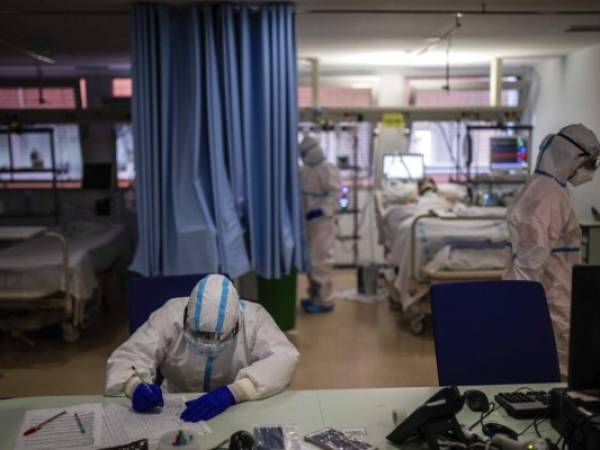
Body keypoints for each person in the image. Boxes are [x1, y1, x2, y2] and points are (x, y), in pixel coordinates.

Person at [105, 274, 300, 422]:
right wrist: (133, 385)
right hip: (174, 405)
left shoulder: (254, 318)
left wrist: (235, 392)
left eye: (217, 337)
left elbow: (284, 358)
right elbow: (129, 355)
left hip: (236, 405)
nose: (208, 344)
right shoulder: (169, 314)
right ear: (187, 315)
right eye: (200, 334)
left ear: (236, 322)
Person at [504, 124, 600, 377]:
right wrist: (518, 311)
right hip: (552, 300)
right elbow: (529, 263)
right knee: (557, 374)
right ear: (573, 157)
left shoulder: (546, 188)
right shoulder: (548, 195)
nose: (591, 170)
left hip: (552, 296)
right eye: (590, 163)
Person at [299, 136, 341, 314]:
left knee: (321, 260)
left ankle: (325, 301)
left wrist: (322, 210)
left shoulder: (327, 168)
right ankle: (314, 296)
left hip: (322, 222)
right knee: (311, 261)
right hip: (308, 221)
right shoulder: (305, 169)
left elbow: (335, 194)